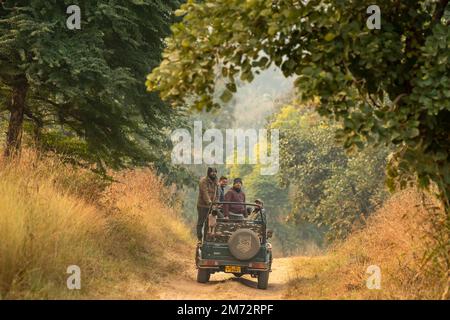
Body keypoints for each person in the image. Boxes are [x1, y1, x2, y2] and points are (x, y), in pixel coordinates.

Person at [196, 167, 218, 242]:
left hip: (212, 205)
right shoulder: (203, 181)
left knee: (208, 223)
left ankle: (206, 239)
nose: (214, 173)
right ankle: (199, 239)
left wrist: (216, 203)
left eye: (215, 172)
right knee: (201, 222)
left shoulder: (215, 181)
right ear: (208, 172)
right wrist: (209, 201)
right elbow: (204, 193)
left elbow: (216, 193)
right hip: (202, 205)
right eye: (212, 172)